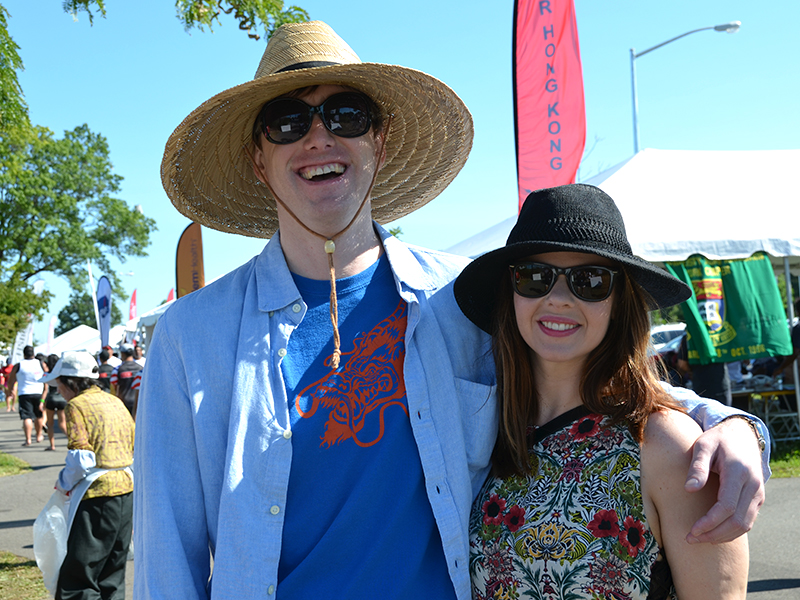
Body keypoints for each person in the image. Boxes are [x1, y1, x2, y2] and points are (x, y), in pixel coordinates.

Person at [135, 21, 768, 599]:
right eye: (286, 122)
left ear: (378, 143)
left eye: (346, 114)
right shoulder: (193, 336)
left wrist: (737, 425)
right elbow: (168, 556)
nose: (319, 136)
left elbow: (587, 376)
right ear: (258, 157)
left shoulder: (459, 299)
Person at [455, 185, 748, 599]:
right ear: (511, 292)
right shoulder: (488, 430)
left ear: (619, 301)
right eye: (534, 277)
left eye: (589, 281)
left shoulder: (669, 446)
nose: (557, 299)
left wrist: (740, 426)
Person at [41, 350, 135, 600]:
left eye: (59, 384)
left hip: (97, 496)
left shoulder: (76, 406)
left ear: (71, 381)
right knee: (113, 573)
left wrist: (62, 485)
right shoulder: (114, 401)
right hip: (126, 491)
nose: (58, 390)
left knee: (80, 574)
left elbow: (81, 458)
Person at [7, 345, 47, 446]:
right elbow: (47, 375)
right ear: (33, 353)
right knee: (38, 415)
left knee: (27, 417)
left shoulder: (19, 365)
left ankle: (28, 439)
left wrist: (11, 390)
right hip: (38, 392)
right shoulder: (41, 364)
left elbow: (11, 379)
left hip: (24, 393)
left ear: (24, 354)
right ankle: (38, 435)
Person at [43, 354, 68, 451]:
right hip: (61, 399)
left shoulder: (47, 373)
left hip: (51, 399)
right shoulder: (62, 374)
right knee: (62, 424)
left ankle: (52, 445)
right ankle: (71, 440)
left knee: (50, 424)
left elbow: (45, 389)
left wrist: (42, 401)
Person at [110, 344, 143, 417]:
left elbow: (113, 387)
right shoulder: (141, 369)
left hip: (123, 404)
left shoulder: (117, 369)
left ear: (122, 353)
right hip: (138, 404)